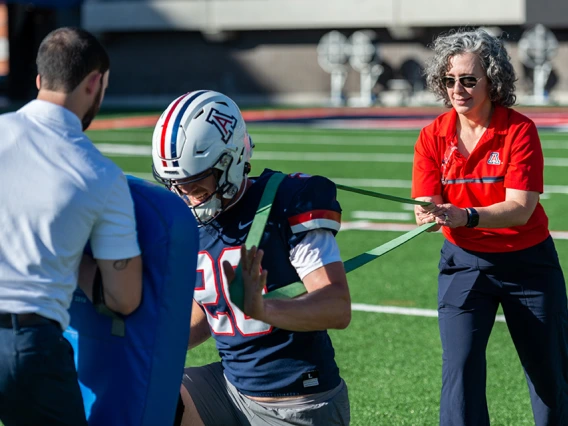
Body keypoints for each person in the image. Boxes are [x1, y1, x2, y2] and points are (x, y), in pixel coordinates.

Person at [151, 90, 351, 426]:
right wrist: (146, 345)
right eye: (177, 184)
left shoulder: (287, 203)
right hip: (229, 390)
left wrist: (264, 309)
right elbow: (210, 308)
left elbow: (336, 305)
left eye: (196, 183)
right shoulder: (195, 219)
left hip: (299, 403)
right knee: (148, 394)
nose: (186, 196)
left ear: (229, 162)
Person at [411, 28, 568, 426]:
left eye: (468, 79)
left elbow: (520, 208)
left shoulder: (519, 130)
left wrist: (467, 216)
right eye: (449, 81)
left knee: (550, 375)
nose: (457, 89)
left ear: (492, 79)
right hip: (464, 264)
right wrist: (428, 214)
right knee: (460, 373)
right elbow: (425, 203)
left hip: (528, 266)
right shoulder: (432, 136)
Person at [0, 27, 143, 426]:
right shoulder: (101, 175)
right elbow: (124, 297)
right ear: (95, 82)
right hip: (26, 344)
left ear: (39, 80)